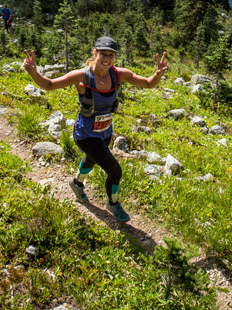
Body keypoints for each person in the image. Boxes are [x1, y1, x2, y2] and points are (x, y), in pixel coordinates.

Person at [22, 36, 168, 222]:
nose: (107, 59)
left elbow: (148, 83)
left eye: (111, 55)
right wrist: (33, 72)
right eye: (103, 54)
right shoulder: (82, 76)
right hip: (85, 134)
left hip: (105, 131)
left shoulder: (118, 74)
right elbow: (49, 85)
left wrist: (158, 74)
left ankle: (76, 183)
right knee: (115, 171)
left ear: (115, 57)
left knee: (91, 160)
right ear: (95, 53)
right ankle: (113, 204)